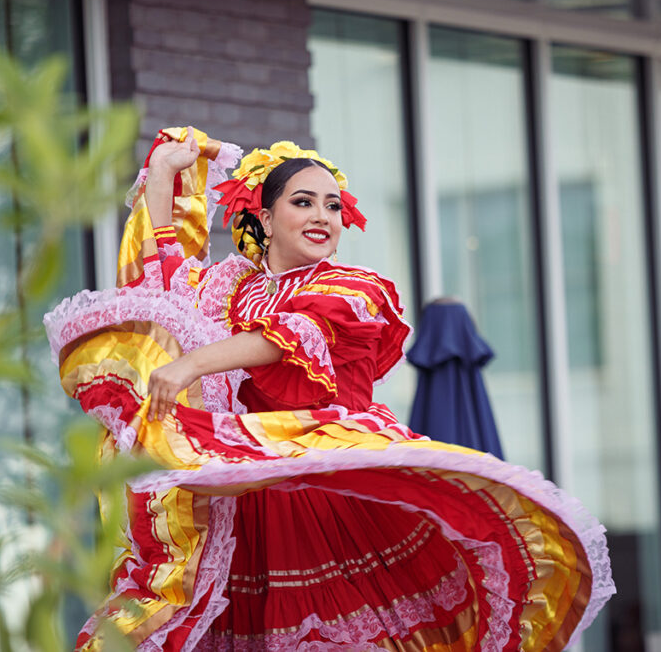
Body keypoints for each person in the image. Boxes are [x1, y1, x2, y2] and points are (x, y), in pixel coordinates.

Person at [44, 126, 615, 651]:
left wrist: (193, 365)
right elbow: (161, 295)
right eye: (303, 202)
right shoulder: (231, 289)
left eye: (333, 205)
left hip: (330, 492)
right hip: (246, 500)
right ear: (265, 219)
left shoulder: (355, 288)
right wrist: (165, 174)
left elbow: (291, 338)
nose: (323, 216)